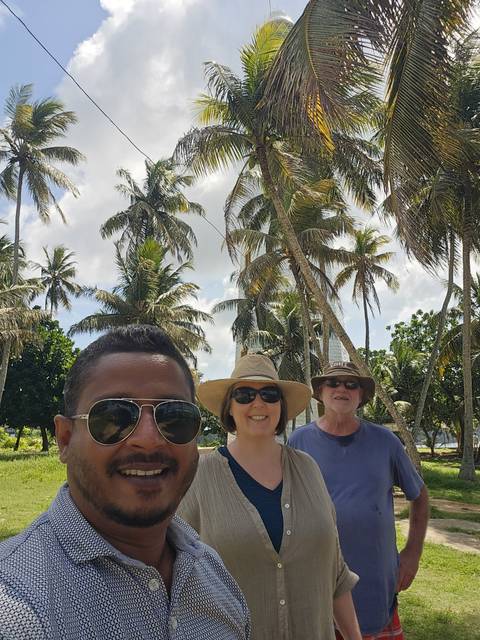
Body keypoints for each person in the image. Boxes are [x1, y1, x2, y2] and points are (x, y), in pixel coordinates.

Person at [0, 325, 250, 640]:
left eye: (173, 417)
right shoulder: (17, 610)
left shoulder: (212, 574)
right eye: (114, 417)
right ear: (65, 439)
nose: (148, 440)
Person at [177, 353, 362, 640]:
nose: (258, 403)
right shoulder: (199, 478)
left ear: (281, 406)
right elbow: (174, 576)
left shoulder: (308, 469)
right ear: (229, 408)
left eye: (269, 394)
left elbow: (335, 574)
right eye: (245, 394)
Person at [288, 361, 429, 640]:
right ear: (320, 392)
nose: (342, 388)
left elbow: (420, 495)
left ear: (362, 396)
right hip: (318, 585)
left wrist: (412, 553)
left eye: (352, 384)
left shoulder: (385, 441)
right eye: (334, 382)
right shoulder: (298, 442)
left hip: (376, 585)